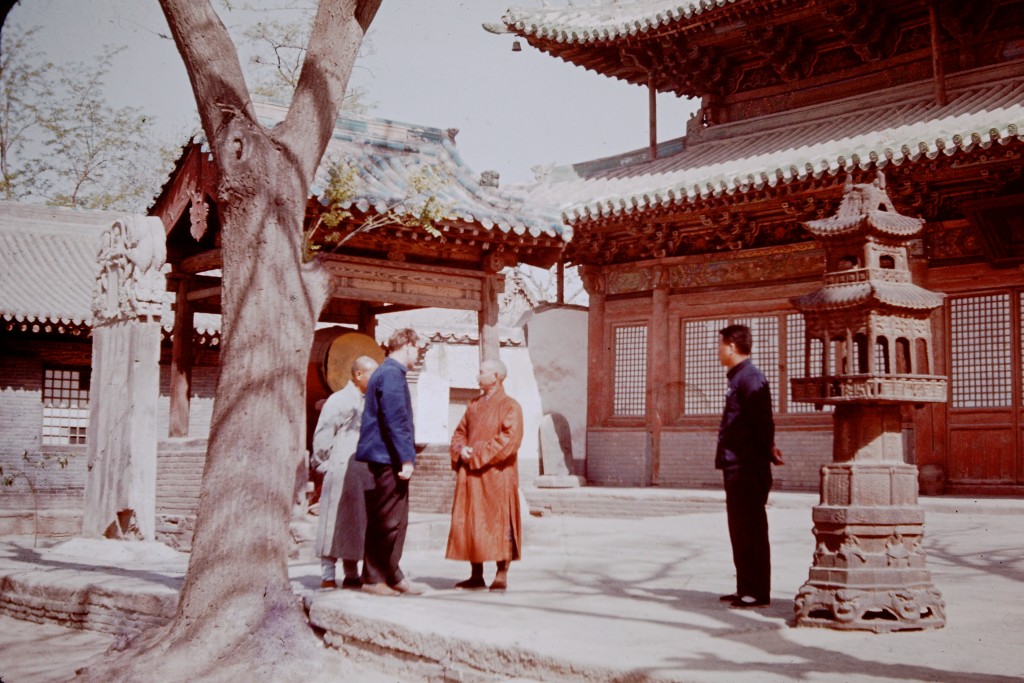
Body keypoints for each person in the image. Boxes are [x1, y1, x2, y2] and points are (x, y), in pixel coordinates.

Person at [715, 324, 784, 609]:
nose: (717, 351)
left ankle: (757, 592)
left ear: (731, 346)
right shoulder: (738, 378)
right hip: (736, 465)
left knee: (751, 529)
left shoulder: (750, 378)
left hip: (747, 467)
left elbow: (761, 421)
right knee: (739, 529)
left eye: (720, 345)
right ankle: (745, 586)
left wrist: (767, 450)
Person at [355, 328, 426, 596]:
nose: (418, 354)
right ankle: (374, 578)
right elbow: (396, 421)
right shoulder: (392, 376)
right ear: (407, 344)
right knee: (387, 519)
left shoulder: (388, 374)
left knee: (396, 519)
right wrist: (406, 458)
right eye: (417, 348)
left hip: (386, 456)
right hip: (388, 458)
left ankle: (392, 574)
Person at [445, 358, 524, 592]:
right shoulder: (474, 405)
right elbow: (459, 433)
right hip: (471, 474)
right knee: (472, 521)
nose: (477, 377)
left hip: (497, 475)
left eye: (481, 373)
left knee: (500, 522)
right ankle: (475, 575)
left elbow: (509, 441)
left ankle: (501, 573)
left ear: (495, 377)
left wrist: (476, 454)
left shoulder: (511, 406)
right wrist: (462, 450)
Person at [311, 355, 378, 590]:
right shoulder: (338, 400)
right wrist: (324, 464)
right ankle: (327, 574)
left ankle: (352, 573)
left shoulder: (371, 400)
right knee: (332, 521)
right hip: (339, 466)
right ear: (358, 374)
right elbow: (323, 436)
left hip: (361, 469)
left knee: (354, 521)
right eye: (372, 373)